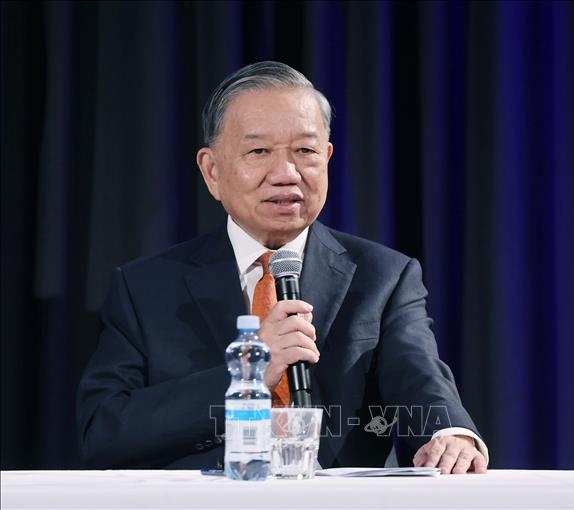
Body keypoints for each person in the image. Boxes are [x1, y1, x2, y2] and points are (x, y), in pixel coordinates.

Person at [77, 61, 489, 473]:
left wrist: (450, 433)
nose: (286, 174)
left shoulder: (383, 276)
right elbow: (104, 432)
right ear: (212, 171)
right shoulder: (145, 287)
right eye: (259, 152)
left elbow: (419, 376)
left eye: (305, 151)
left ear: (326, 159)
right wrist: (248, 374)